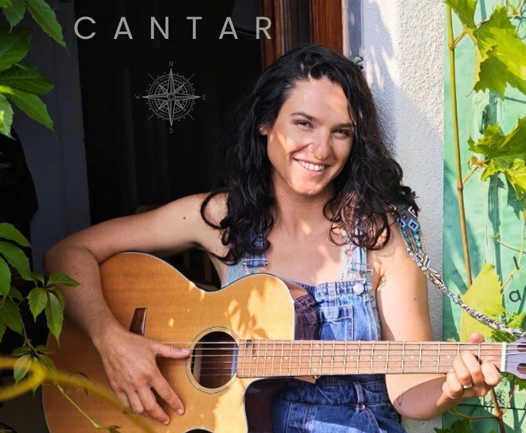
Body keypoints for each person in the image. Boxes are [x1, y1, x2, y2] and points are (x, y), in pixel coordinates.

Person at [44, 44, 502, 431]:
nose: (321, 149)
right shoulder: (222, 218)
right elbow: (67, 253)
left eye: (341, 132)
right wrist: (110, 338)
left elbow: (408, 393)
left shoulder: (378, 236)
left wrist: (451, 387)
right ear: (265, 122)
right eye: (304, 123)